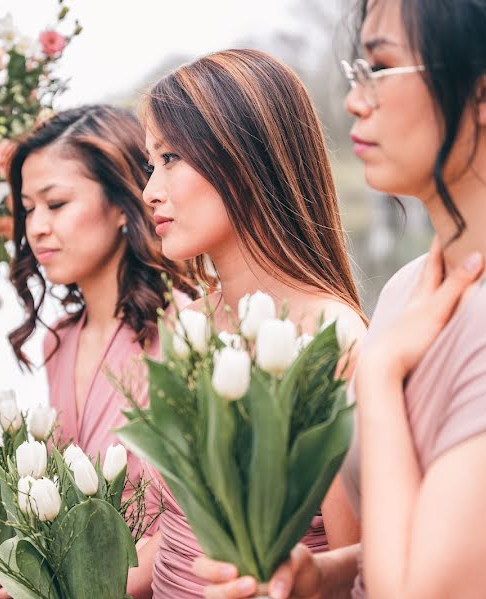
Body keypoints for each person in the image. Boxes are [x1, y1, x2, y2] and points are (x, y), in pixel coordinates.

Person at [196, 1, 486, 597]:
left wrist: (378, 377)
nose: (354, 101)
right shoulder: (411, 286)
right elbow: (435, 541)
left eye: (381, 67)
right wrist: (321, 576)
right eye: (357, 72)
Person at [141, 48, 367, 598]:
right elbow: (168, 539)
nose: (150, 190)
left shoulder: (333, 339)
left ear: (245, 158)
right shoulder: (188, 324)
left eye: (170, 158)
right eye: (151, 163)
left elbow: (354, 572)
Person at [0, 104, 196, 599]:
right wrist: (22, 560)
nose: (37, 227)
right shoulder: (58, 340)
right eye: (28, 208)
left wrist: (67, 589)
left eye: (56, 203)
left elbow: (193, 525)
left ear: (121, 204)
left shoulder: (186, 330)